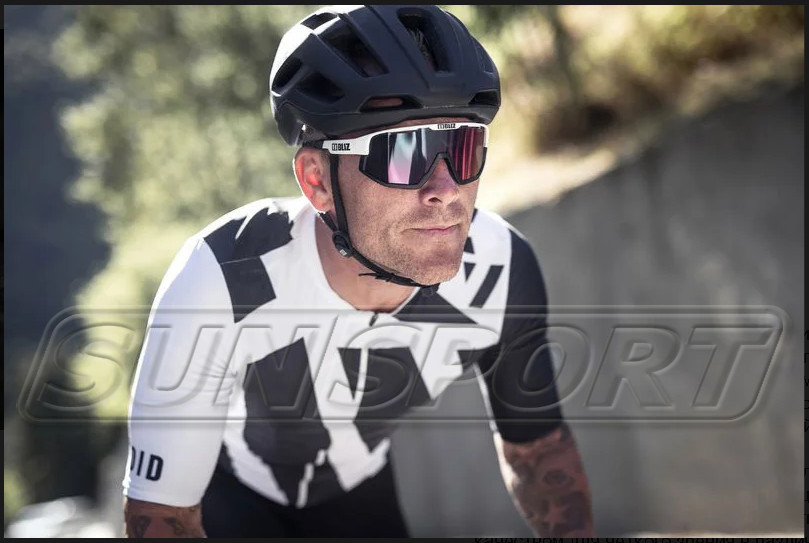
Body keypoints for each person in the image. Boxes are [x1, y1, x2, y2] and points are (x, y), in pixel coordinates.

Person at [122, 5, 594, 538]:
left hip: (360, 495)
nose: (445, 191)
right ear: (317, 181)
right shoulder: (219, 279)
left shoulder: (501, 268)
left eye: (463, 148)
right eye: (403, 153)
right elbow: (162, 517)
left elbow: (539, 455)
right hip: (223, 498)